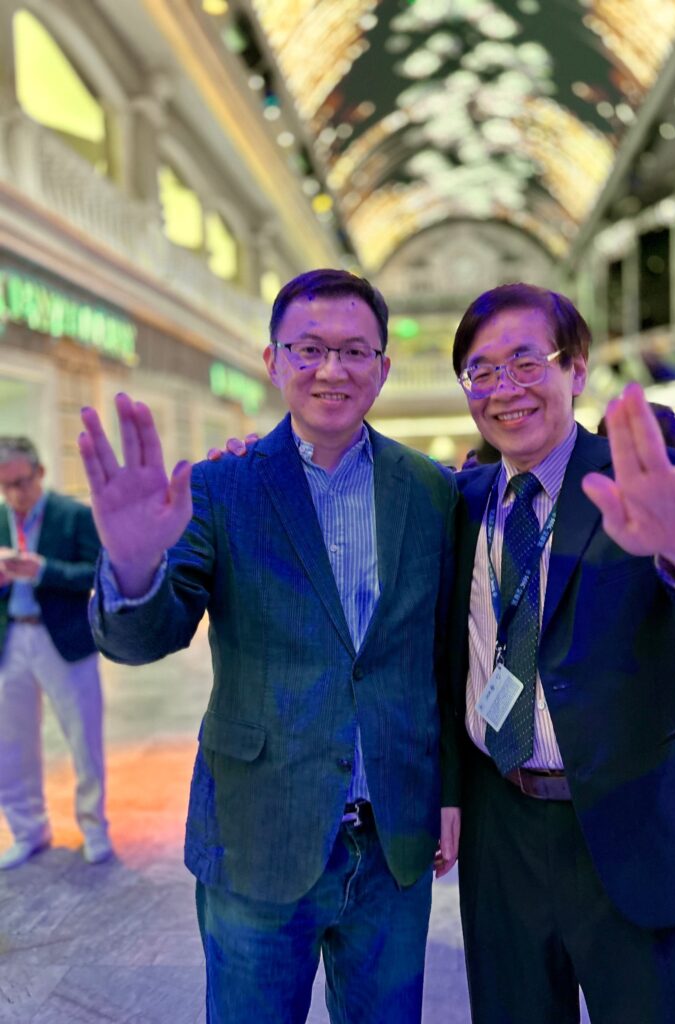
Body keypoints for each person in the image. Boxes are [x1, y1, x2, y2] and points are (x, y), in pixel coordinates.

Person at [78, 269, 458, 1024]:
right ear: (272, 360)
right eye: (309, 348)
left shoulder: (431, 490)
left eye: (355, 352)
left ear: (383, 368)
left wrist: (447, 789)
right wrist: (133, 564)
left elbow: (441, 659)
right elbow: (149, 634)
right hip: (257, 832)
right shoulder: (221, 487)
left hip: (392, 845)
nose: (331, 370)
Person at [445, 283, 675, 1024]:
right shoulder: (458, 504)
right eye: (481, 371)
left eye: (526, 362)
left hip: (646, 835)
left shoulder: (635, 483)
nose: (504, 389)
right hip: (505, 839)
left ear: (576, 368)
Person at [0, 436, 110, 869]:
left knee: (84, 738)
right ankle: (28, 830)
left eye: (21, 483)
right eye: (5, 486)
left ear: (40, 473)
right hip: (12, 639)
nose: (14, 495)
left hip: (63, 638)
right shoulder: (1, 517)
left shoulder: (73, 515)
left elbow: (100, 571)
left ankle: (95, 828)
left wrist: (44, 570)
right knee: (11, 742)